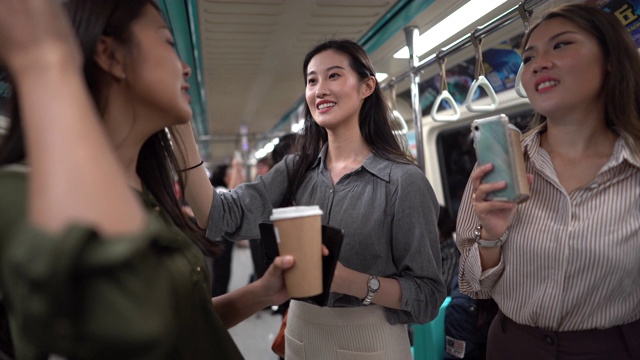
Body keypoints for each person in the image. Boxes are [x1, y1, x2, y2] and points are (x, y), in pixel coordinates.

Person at [0, 0, 303, 358]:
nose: (186, 68)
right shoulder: (28, 196)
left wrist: (261, 293)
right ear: (109, 54)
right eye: (168, 43)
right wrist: (47, 64)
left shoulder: (147, 194)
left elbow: (183, 325)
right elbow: (134, 322)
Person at [177, 39, 446, 359]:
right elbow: (215, 214)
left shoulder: (403, 181)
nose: (319, 89)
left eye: (333, 76)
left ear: (366, 87)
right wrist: (182, 129)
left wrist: (349, 281)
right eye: (311, 80)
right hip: (300, 334)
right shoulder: (294, 170)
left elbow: (428, 295)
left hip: (370, 340)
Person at [456, 4, 640, 359]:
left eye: (561, 45)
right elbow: (471, 287)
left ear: (610, 60)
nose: (538, 63)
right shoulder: (500, 165)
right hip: (513, 346)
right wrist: (491, 238)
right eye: (528, 57)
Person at [208, 162, 243, 296]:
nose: (231, 177)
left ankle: (220, 296)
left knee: (224, 270)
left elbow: (238, 188)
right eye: (229, 175)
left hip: (222, 237)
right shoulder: (220, 190)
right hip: (220, 239)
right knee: (221, 271)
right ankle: (219, 299)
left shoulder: (219, 188)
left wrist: (238, 171)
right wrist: (235, 169)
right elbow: (232, 192)